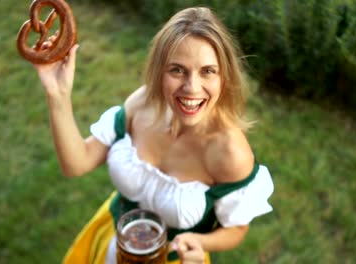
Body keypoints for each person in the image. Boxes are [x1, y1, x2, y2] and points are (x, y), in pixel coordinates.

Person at [33, 6, 274, 264]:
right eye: (177, 70)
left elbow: (236, 229)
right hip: (113, 241)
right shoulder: (142, 104)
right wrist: (57, 94)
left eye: (207, 71)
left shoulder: (230, 152)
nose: (192, 88)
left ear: (224, 76)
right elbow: (76, 164)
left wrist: (199, 242)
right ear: (159, 70)